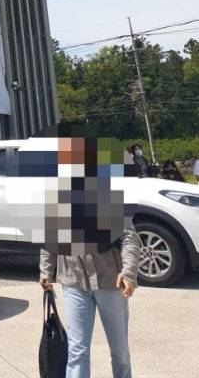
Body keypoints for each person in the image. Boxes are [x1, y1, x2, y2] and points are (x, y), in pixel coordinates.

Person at [38, 132, 139, 378]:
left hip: (109, 281)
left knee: (120, 351)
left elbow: (129, 238)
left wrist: (128, 273)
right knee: (77, 349)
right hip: (73, 281)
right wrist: (45, 271)